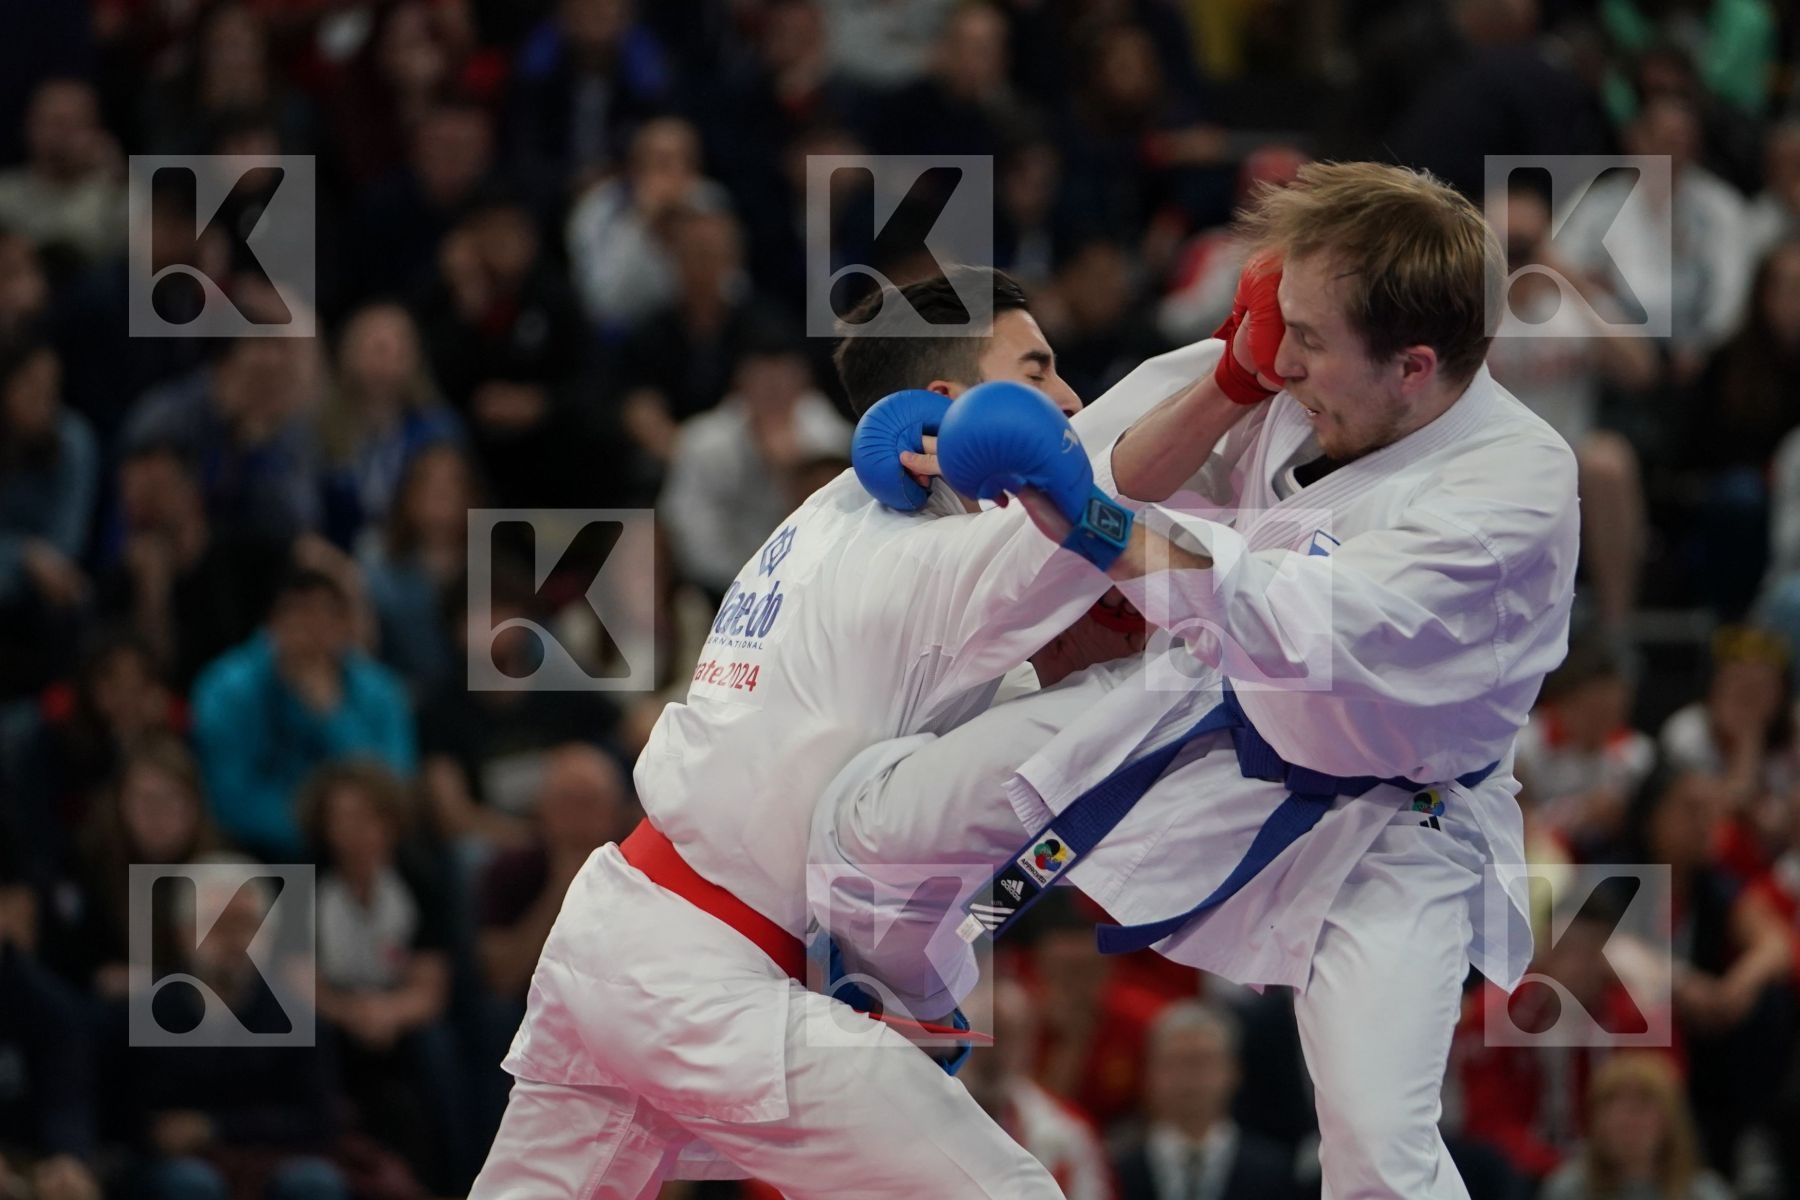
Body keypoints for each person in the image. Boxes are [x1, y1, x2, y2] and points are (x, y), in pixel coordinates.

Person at [812, 161, 1579, 1200]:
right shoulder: (1313, 370)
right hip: (1205, 709)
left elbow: (1295, 621)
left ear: (1413, 367)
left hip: (1396, 827)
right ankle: (911, 1009)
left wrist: (1097, 524)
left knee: (1377, 1151)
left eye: (1306, 340)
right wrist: (950, 450)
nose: (1283, 357)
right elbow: (1101, 450)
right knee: (878, 820)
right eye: (1283, 321)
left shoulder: (1510, 495)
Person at [470, 267, 1148, 1199]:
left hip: (628, 932)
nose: (1068, 398)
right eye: (1038, 372)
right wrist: (1241, 377)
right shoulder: (927, 558)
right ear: (957, 408)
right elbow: (1113, 494)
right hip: (707, 978)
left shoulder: (827, 513)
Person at [1112, 1002, 1298, 1200]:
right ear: (1149, 1073)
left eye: (1203, 1061)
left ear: (1234, 1072)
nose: (1189, 1077)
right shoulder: (1115, 1172)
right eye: (1175, 1062)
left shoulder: (1275, 1172)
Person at [1537, 1053, 1732, 1200]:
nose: (1626, 1120)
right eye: (1612, 1107)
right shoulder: (1567, 1190)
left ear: (1671, 1121)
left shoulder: (1703, 1193)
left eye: (1641, 1107)